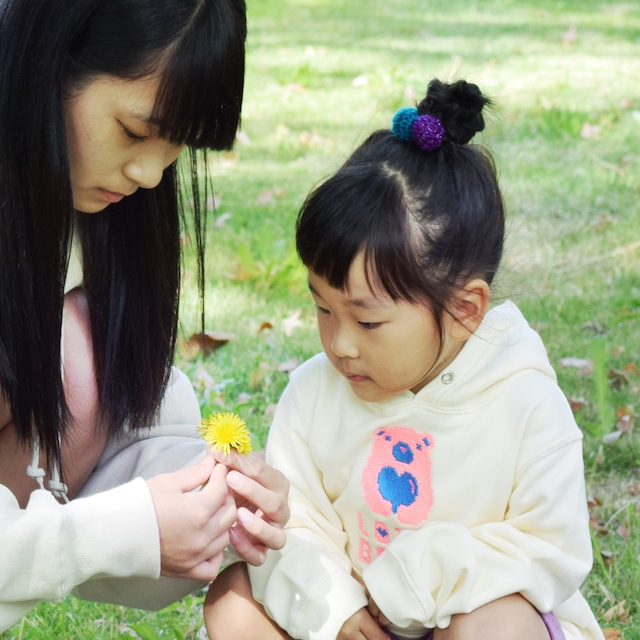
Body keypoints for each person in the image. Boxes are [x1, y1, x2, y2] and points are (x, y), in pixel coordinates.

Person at [204, 79, 604, 639]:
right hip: (352, 625)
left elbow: (548, 547)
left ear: (465, 309)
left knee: (491, 624)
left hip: (471, 618)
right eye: (323, 309)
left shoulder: (526, 402)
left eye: (368, 322)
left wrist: (417, 580)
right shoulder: (314, 394)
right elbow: (296, 523)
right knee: (231, 599)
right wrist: (335, 610)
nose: (340, 343)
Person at [0, 0, 289, 632]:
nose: (150, 174)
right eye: (135, 131)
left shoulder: (97, 219)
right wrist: (112, 533)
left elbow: (124, 440)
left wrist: (216, 497)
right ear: (50, 60)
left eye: (177, 147)